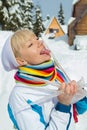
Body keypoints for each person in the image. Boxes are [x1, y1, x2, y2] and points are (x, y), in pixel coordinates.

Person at [1, 29, 86, 130]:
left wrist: (79, 96)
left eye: (37, 38)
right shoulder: (19, 96)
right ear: (21, 60)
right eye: (30, 44)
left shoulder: (56, 74)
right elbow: (65, 107)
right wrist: (63, 106)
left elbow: (75, 111)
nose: (40, 42)